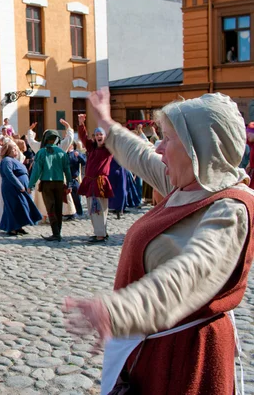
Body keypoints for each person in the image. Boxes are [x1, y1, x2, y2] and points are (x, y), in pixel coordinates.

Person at [67, 89, 254, 395]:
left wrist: (119, 312)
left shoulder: (230, 208)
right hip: (153, 346)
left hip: (184, 357)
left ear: (199, 147)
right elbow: (139, 155)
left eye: (168, 139)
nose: (159, 149)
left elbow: (193, 272)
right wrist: (106, 121)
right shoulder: (186, 184)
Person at [28, 131, 72, 242]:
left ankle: (56, 233)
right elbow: (67, 170)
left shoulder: (41, 152)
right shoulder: (62, 152)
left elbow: (36, 171)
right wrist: (70, 183)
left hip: (47, 184)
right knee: (58, 208)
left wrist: (31, 184)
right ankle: (58, 232)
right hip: (59, 183)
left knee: (50, 208)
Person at [78, 114, 114, 243]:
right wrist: (81, 124)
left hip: (100, 183)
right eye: (97, 135)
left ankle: (100, 235)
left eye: (101, 135)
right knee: (92, 210)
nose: (99, 137)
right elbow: (83, 138)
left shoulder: (108, 150)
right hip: (90, 182)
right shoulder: (92, 148)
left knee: (99, 209)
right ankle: (100, 232)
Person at [0, 142, 42, 236]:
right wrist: (20, 185)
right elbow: (9, 174)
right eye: (13, 149)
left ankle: (19, 226)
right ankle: (12, 228)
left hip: (19, 189)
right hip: (12, 188)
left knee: (21, 207)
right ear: (8, 151)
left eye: (16, 149)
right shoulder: (7, 160)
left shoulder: (14, 160)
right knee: (14, 207)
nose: (16, 151)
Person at [67, 142, 86, 218]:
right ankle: (71, 213)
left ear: (72, 146)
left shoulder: (76, 153)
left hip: (75, 179)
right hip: (67, 179)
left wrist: (79, 156)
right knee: (69, 198)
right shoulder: (64, 154)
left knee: (77, 197)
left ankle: (79, 212)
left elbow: (84, 162)